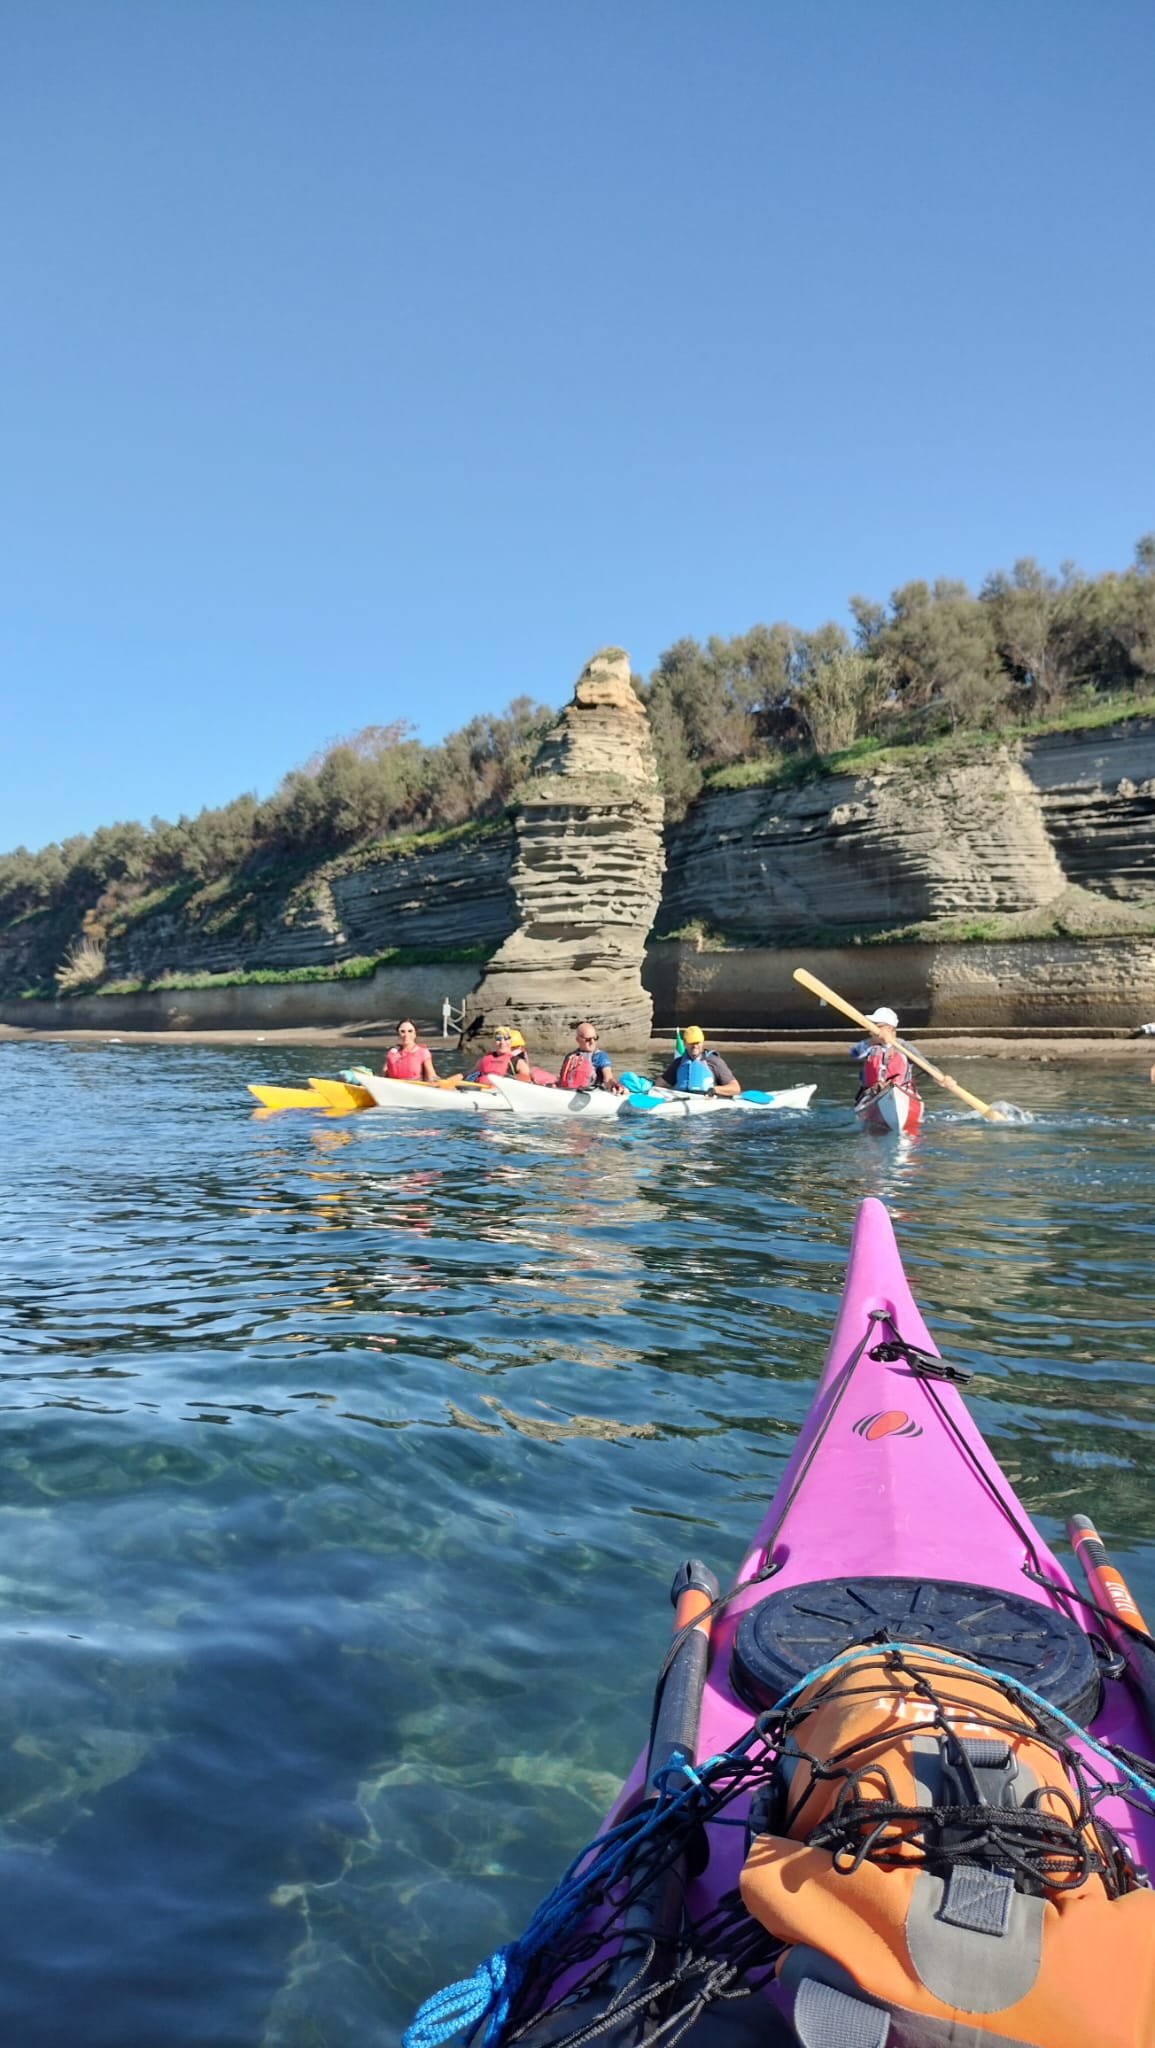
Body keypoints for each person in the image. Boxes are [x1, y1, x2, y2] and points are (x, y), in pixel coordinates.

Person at [849, 1006, 919, 1101]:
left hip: (902, 1091)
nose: (872, 1030)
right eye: (872, 1026)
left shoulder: (903, 1046)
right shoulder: (871, 1046)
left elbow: (924, 1064)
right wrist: (870, 1042)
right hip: (873, 1093)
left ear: (890, 1028)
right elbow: (853, 1053)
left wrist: (942, 1078)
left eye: (877, 1026)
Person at [661, 1025, 741, 1097]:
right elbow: (659, 1084)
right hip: (682, 1100)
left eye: (697, 1042)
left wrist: (714, 1090)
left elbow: (735, 1088)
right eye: (691, 1043)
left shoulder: (714, 1061)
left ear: (702, 1042)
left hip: (707, 1102)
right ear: (685, 1043)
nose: (695, 1046)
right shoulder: (678, 1063)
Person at [557, 1021, 625, 1093]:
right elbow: (562, 1079)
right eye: (588, 1039)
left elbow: (608, 1078)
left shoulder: (600, 1056)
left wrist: (614, 1085)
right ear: (578, 1039)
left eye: (595, 1038)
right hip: (567, 1092)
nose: (592, 1042)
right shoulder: (570, 1056)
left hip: (590, 1094)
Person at [466, 1026, 534, 1084]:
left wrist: (510, 1078)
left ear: (510, 1042)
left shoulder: (519, 1062)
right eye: (498, 1039)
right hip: (483, 1090)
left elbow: (527, 1078)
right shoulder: (484, 1059)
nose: (502, 1042)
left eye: (506, 1039)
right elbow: (468, 1073)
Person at [383, 1019, 439, 1084]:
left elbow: (431, 1077)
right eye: (402, 1031)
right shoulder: (392, 1053)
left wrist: (437, 1082)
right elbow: (384, 1075)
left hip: (414, 1088)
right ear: (398, 1034)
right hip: (393, 1088)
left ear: (415, 1034)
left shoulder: (423, 1053)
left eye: (410, 1031)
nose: (406, 1035)